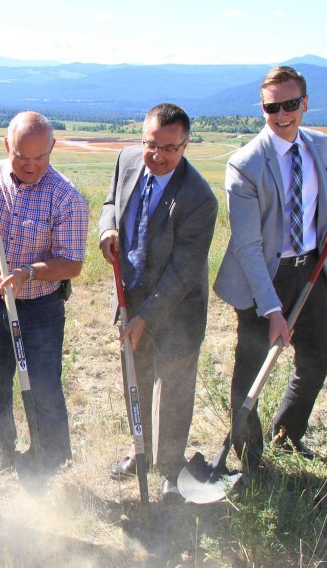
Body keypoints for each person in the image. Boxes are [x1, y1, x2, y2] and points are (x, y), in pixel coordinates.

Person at [213, 66, 327, 472]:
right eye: (272, 107)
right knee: (250, 369)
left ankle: (287, 435)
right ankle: (251, 461)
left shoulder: (316, 145)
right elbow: (247, 246)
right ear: (263, 109)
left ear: (305, 104)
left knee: (316, 360)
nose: (281, 115)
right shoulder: (245, 165)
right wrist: (272, 309)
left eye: (290, 104)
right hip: (263, 276)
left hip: (309, 269)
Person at [0, 111, 89, 480]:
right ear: (7, 146)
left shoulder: (66, 197)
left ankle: (51, 456)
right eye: (22, 156)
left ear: (52, 149)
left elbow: (70, 264)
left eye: (40, 157)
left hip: (40, 306)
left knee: (43, 384)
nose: (31, 165)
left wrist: (28, 273)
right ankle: (0, 450)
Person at [99, 103, 218, 501]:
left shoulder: (199, 198)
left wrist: (146, 318)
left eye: (169, 148)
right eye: (151, 144)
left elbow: (183, 273)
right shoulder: (128, 160)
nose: (158, 155)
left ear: (185, 145)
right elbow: (110, 204)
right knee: (137, 380)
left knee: (173, 390)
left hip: (177, 308)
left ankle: (169, 468)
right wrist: (108, 229)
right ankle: (140, 453)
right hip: (130, 297)